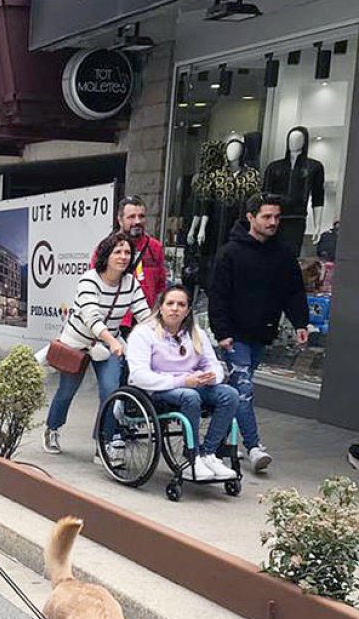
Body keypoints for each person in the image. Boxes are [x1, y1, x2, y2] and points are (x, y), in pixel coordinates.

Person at [209, 193, 309, 474]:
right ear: (251, 217)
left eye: (277, 217)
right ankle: (254, 447)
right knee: (244, 391)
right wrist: (223, 332)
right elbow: (218, 295)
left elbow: (293, 291)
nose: (273, 222)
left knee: (236, 391)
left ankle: (220, 443)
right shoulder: (230, 252)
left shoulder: (283, 253)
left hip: (261, 334)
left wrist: (301, 323)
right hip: (234, 335)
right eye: (266, 216)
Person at [43, 232, 152, 461]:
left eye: (127, 253)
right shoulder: (89, 279)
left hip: (106, 345)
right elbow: (91, 316)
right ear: (106, 255)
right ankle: (52, 428)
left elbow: (144, 314)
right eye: (117, 252)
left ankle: (104, 442)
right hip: (79, 342)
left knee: (111, 391)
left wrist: (162, 335)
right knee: (67, 391)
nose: (123, 257)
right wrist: (113, 341)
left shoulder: (130, 283)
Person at [126, 286, 239, 481]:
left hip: (193, 383)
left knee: (229, 394)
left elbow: (213, 364)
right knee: (190, 396)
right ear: (160, 307)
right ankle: (191, 457)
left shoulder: (195, 333)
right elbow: (139, 375)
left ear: (187, 311)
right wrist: (182, 381)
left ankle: (208, 453)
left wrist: (212, 376)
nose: (175, 309)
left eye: (181, 305)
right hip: (158, 389)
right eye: (170, 303)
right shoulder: (144, 333)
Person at [91, 195, 166, 333]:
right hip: (114, 321)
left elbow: (161, 287)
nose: (137, 221)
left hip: (145, 320)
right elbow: (94, 283)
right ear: (120, 220)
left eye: (141, 216)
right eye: (131, 217)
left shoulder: (155, 247)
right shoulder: (105, 248)